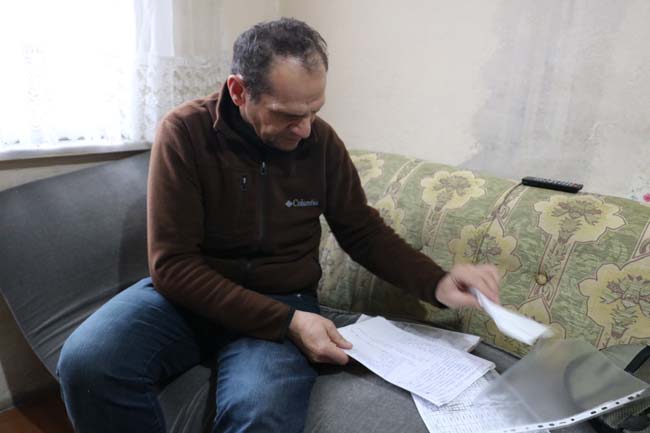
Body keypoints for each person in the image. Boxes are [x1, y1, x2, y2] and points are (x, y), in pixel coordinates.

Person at [57, 17, 500, 433]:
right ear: (238, 91)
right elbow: (172, 266)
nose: (305, 129)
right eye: (288, 115)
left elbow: (361, 230)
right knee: (88, 362)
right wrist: (287, 322)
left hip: (283, 297)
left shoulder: (321, 143)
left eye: (314, 111)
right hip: (191, 298)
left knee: (259, 410)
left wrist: (437, 282)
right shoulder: (185, 133)